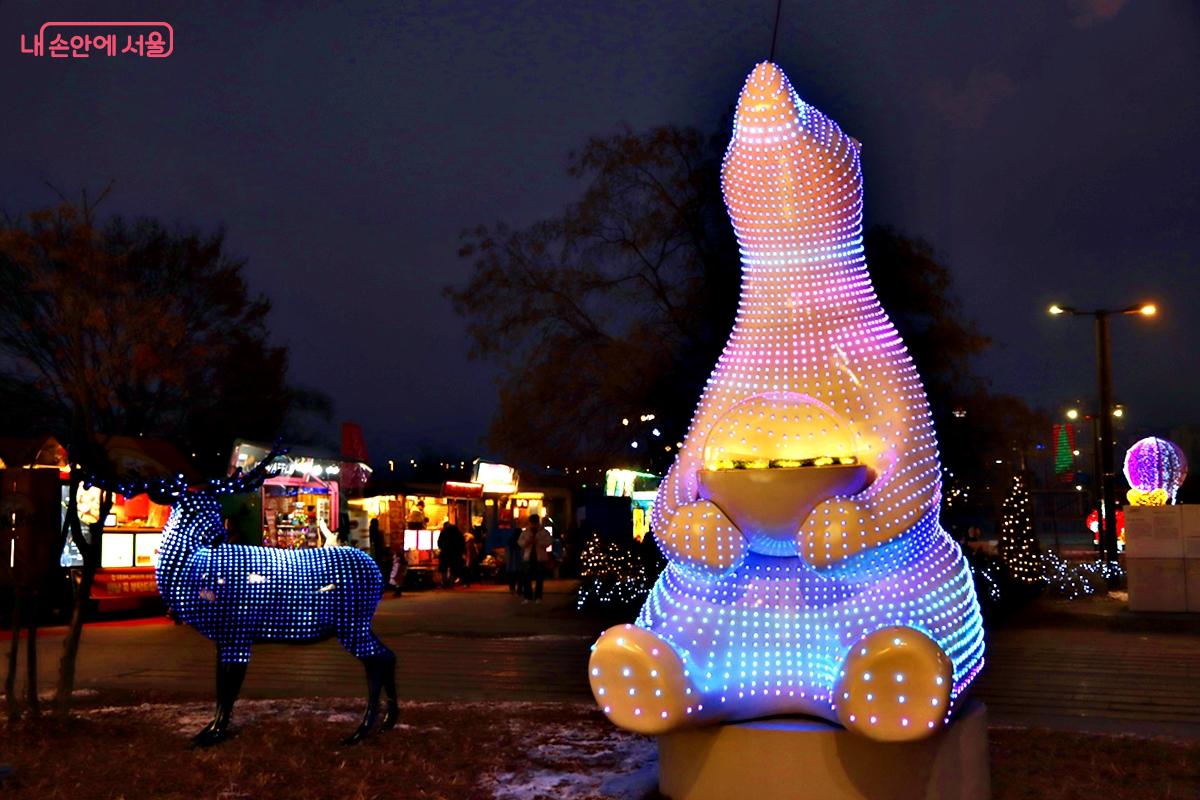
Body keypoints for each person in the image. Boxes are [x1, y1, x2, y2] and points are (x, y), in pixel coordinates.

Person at [518, 514, 553, 603]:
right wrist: (527, 542)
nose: (533, 525)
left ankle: (538, 597)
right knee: (527, 578)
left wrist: (538, 542)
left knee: (539, 578)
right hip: (528, 557)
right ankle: (528, 597)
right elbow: (520, 543)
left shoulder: (544, 532)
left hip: (540, 558)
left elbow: (549, 542)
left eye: (535, 523)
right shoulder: (526, 532)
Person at [438, 520, 465, 588]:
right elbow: (462, 543)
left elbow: (439, 542)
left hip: (445, 552)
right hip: (455, 553)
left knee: (443, 567)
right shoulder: (458, 533)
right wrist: (461, 552)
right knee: (454, 568)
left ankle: (444, 582)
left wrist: (442, 548)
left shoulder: (444, 532)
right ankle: (451, 582)